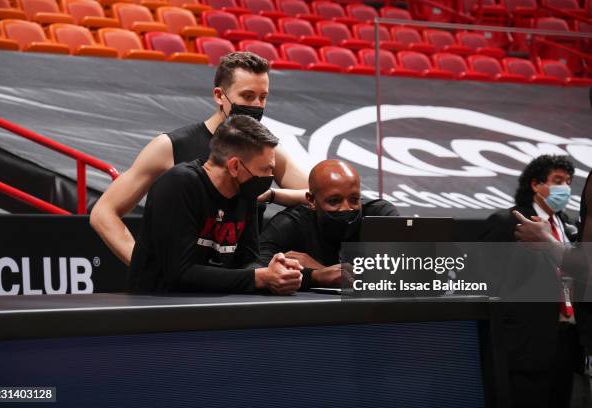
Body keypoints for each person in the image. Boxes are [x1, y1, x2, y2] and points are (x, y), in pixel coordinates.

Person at [90, 52, 309, 266]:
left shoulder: (266, 151)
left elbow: (319, 195)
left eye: (263, 97)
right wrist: (143, 265)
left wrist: (270, 195)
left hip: (233, 286)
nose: (257, 106)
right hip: (178, 287)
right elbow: (103, 213)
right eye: (247, 96)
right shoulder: (170, 146)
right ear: (218, 95)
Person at [129, 115, 303, 295]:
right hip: (158, 310)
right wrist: (259, 277)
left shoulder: (246, 191)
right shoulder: (179, 185)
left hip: (216, 307)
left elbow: (248, 260)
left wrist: (274, 271)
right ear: (235, 166)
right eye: (266, 169)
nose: (270, 177)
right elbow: (180, 274)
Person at [481, 155, 581, 408]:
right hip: (525, 346)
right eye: (558, 180)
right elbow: (488, 284)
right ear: (536, 185)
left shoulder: (567, 226)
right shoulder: (508, 223)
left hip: (567, 341)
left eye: (569, 182)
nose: (565, 188)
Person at [259, 159, 399, 290]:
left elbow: (407, 270)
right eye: (334, 201)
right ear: (311, 200)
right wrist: (315, 276)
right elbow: (258, 268)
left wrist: (320, 270)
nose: (346, 208)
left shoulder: (380, 215)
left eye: (354, 199)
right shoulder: (292, 222)